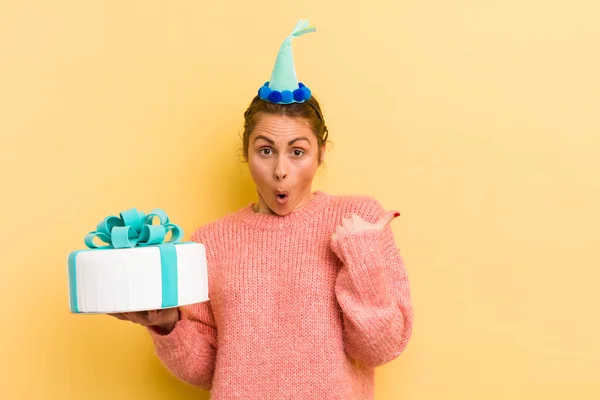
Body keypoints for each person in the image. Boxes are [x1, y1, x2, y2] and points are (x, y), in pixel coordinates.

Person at [110, 19, 413, 399]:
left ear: (320, 154)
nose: (281, 170)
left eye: (297, 151)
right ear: (246, 152)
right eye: (266, 150)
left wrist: (362, 258)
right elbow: (208, 371)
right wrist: (170, 326)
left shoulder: (360, 223)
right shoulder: (210, 242)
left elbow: (379, 349)